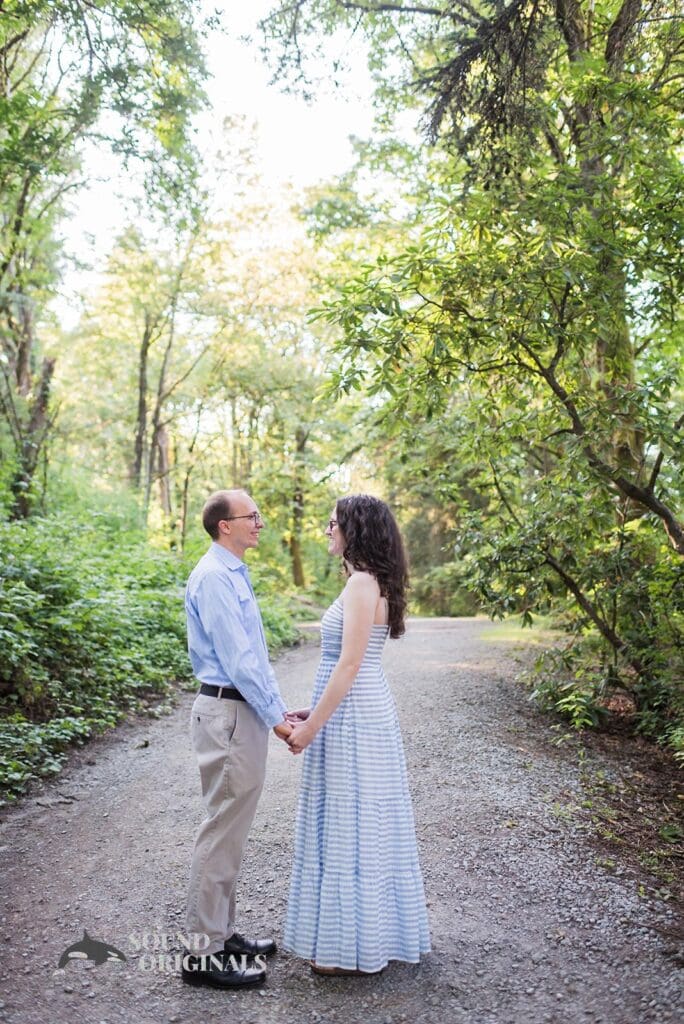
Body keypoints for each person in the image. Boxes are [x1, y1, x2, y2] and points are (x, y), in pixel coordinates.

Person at [283, 494, 431, 976]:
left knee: (354, 824)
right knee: (352, 822)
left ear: (355, 529)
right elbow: (346, 666)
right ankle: (351, 938)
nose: (327, 531)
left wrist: (309, 727)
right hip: (353, 708)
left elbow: (349, 665)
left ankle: (352, 949)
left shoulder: (363, 583)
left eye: (332, 524)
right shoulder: (364, 582)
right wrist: (314, 708)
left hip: (354, 716)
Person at [182, 489, 293, 989]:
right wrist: (278, 721)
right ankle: (202, 954)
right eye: (252, 516)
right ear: (225, 525)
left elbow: (255, 656)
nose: (260, 523)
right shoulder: (213, 578)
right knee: (221, 830)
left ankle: (222, 935)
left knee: (232, 831)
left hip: (239, 710)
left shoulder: (232, 573)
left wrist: (275, 707)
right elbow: (239, 661)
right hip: (227, 712)